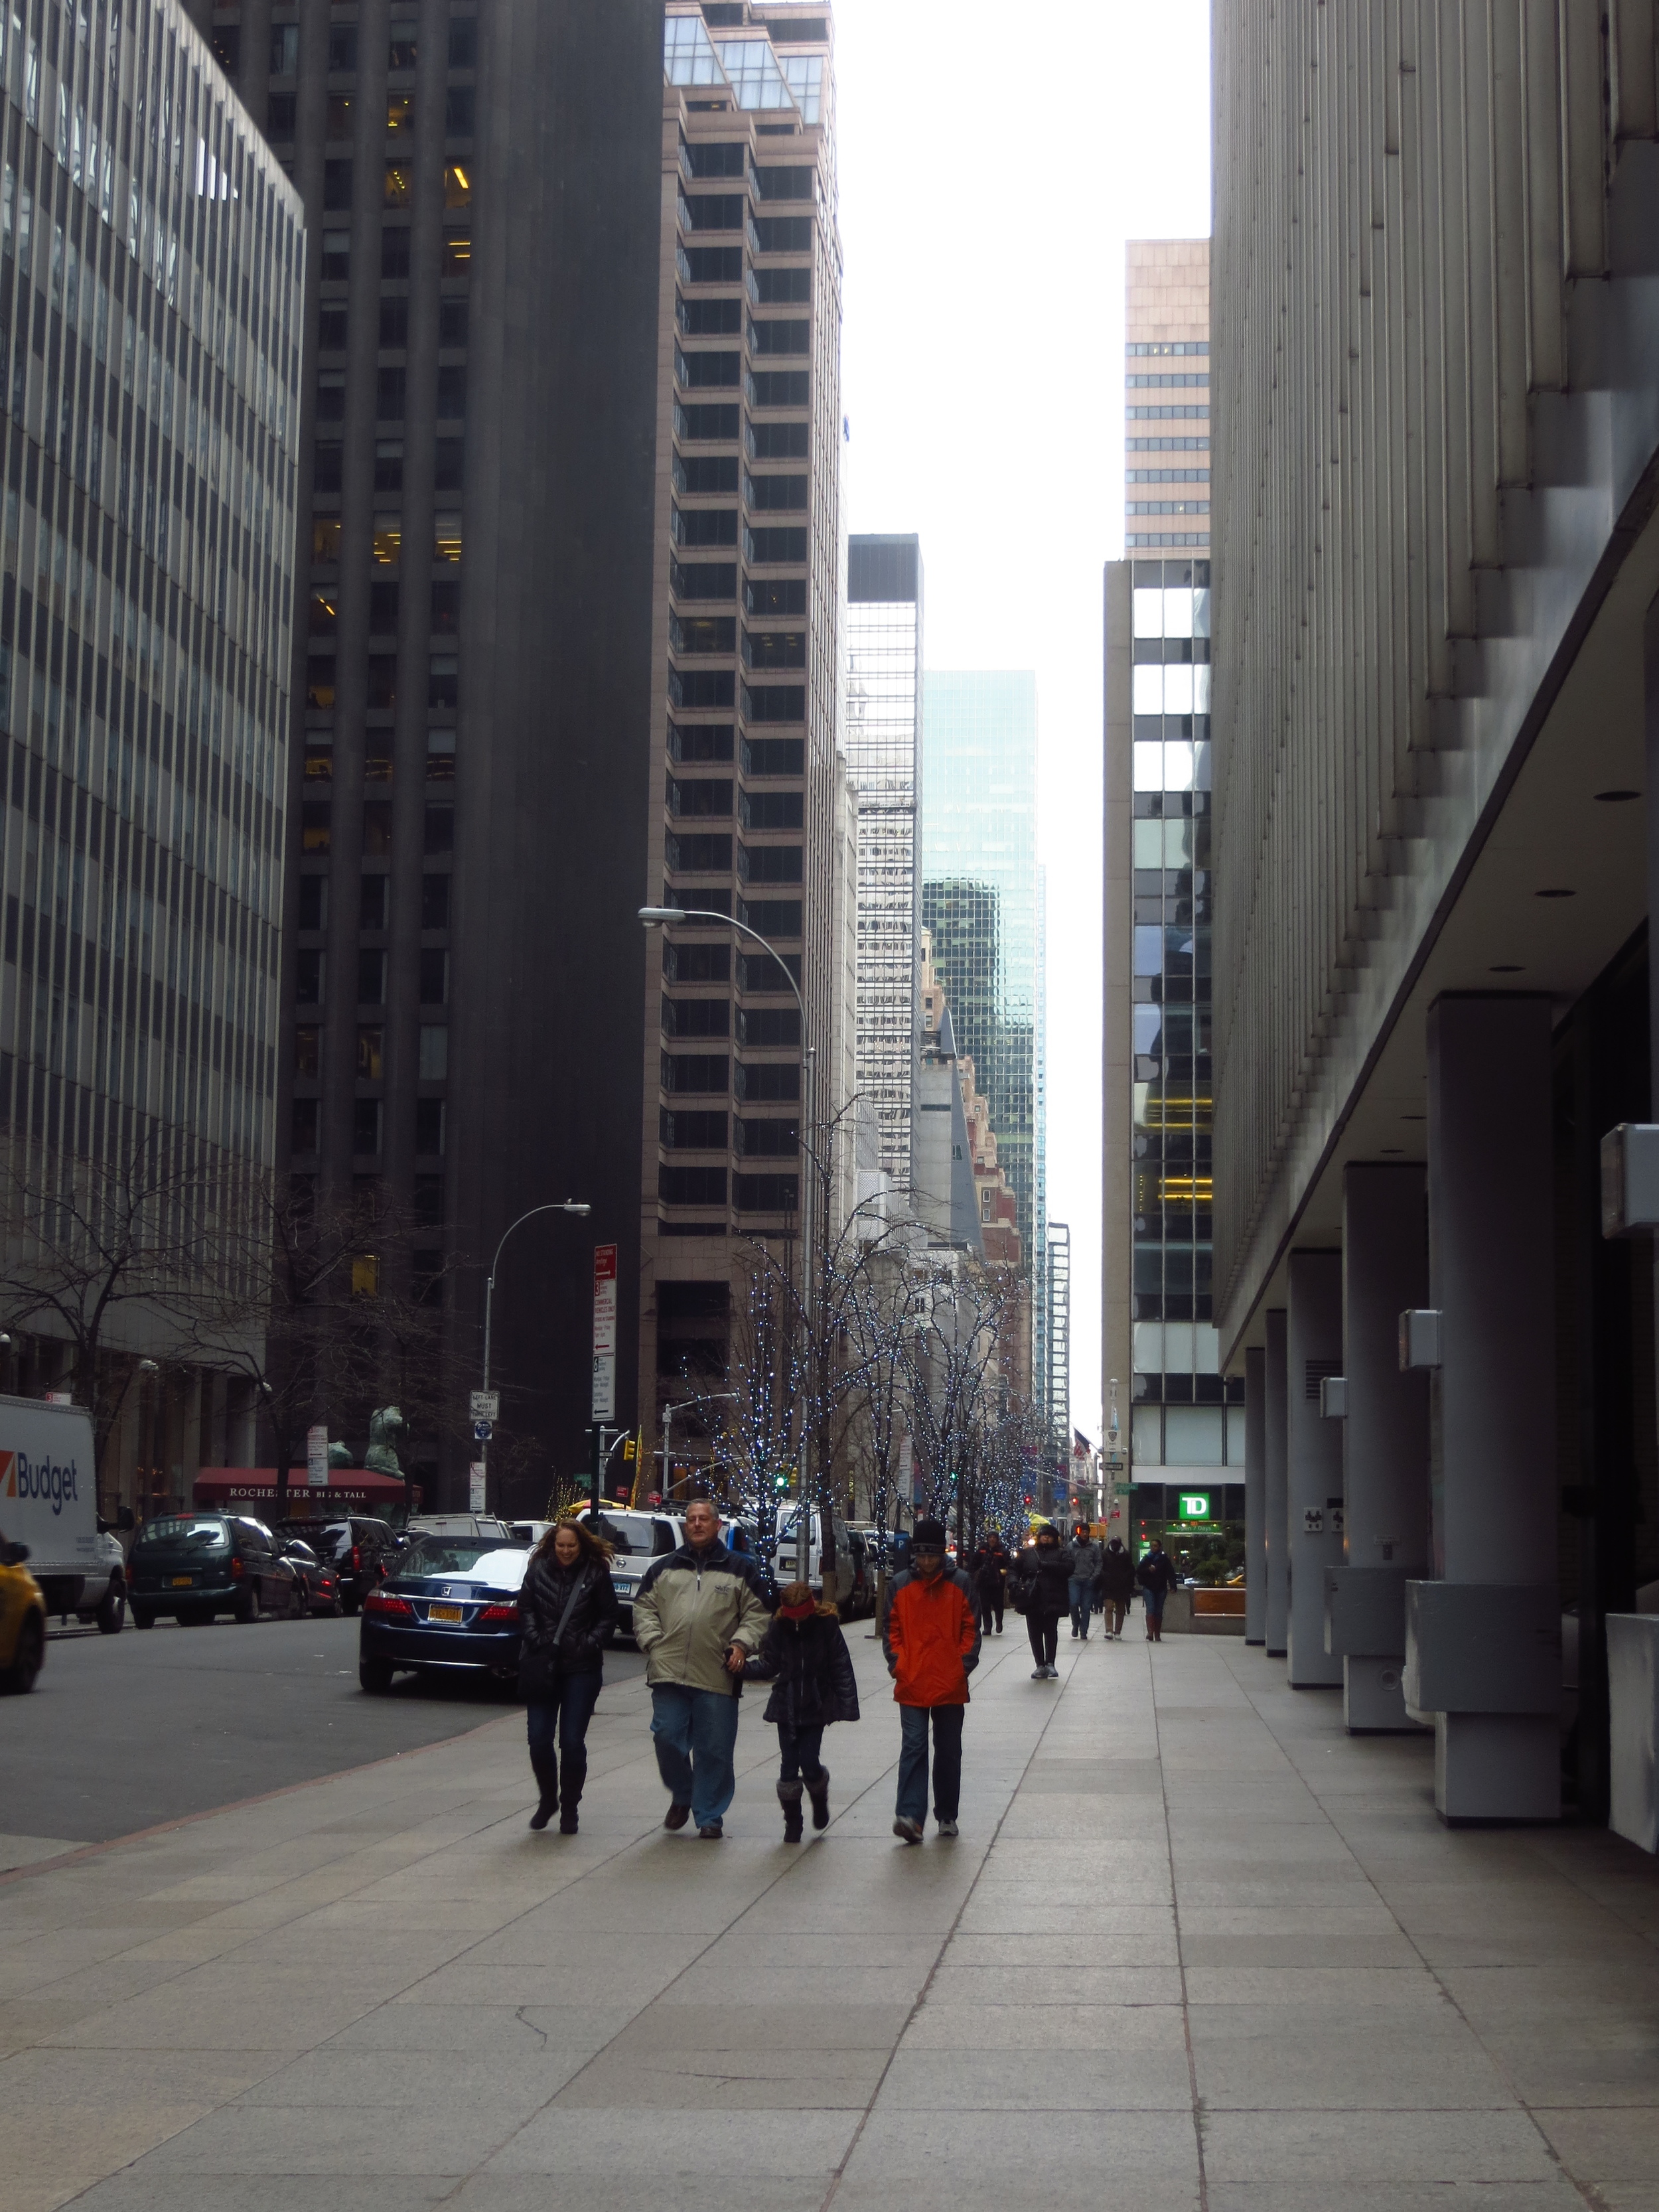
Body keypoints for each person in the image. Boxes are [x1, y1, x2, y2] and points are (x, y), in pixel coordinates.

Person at [632, 1495, 770, 1838]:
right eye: (691, 1519)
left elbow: (758, 1614)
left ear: (717, 1525)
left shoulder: (741, 1569)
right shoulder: (663, 1568)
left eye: (703, 1519)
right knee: (666, 1737)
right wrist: (653, 1642)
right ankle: (683, 1793)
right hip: (668, 1672)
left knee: (715, 1750)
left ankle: (709, 1815)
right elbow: (644, 1608)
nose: (696, 1524)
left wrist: (741, 1644)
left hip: (717, 1673)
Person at [517, 1516, 621, 1834]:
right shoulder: (537, 1570)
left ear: (581, 1544)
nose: (565, 1551)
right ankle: (549, 1798)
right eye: (561, 1546)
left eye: (571, 1546)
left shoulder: (595, 1573)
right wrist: (536, 1639)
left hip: (581, 1669)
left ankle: (570, 1807)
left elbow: (608, 1616)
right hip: (543, 1666)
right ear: (553, 1544)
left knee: (572, 1742)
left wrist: (588, 1644)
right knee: (538, 1739)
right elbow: (525, 1609)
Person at [880, 1516, 979, 1843]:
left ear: (942, 1555)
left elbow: (970, 1629)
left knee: (949, 1749)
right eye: (921, 1556)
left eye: (932, 1557)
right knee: (914, 1746)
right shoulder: (900, 1584)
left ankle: (946, 1814)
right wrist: (899, 1665)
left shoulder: (961, 1583)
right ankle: (910, 1815)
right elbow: (891, 1630)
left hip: (948, 1680)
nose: (926, 1563)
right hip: (912, 1678)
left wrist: (960, 1667)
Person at [743, 1579, 860, 1838]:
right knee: (788, 1766)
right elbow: (770, 1664)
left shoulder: (826, 1626)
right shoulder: (779, 1628)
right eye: (793, 1617)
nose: (797, 1623)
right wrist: (743, 1668)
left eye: (802, 1617)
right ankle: (793, 1822)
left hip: (815, 1706)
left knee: (809, 1762)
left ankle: (819, 1795)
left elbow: (840, 1664)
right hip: (787, 1705)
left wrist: (846, 1703)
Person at [1012, 1524, 1074, 1678]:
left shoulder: (1061, 1553)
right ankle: (1040, 1664)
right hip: (1031, 1598)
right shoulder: (1028, 1554)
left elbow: (1069, 1568)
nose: (1046, 1538)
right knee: (1034, 1633)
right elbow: (1014, 1568)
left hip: (1053, 1598)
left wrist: (1048, 1566)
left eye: (1049, 1536)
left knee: (1051, 1631)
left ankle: (1050, 1663)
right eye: (1043, 1535)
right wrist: (1013, 1583)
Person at [1137, 1540, 1179, 1643]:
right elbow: (1139, 1571)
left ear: (1160, 1547)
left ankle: (1157, 1633)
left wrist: (1173, 1586)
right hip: (1149, 1587)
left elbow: (1170, 1573)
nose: (1153, 1548)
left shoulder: (1164, 1559)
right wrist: (1148, 1570)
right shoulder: (1147, 1559)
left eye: (1156, 1546)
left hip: (1161, 1588)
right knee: (1150, 1609)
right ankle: (1150, 1633)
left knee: (1159, 1611)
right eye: (1152, 1546)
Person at [1067, 1522, 1104, 1642]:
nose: (1084, 1534)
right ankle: (1076, 1623)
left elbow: (1099, 1562)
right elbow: (1065, 1561)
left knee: (1086, 1607)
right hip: (1074, 1579)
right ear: (1079, 1532)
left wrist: (1094, 1576)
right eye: (1082, 1532)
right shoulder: (1071, 1546)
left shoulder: (1094, 1548)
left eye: (1086, 1532)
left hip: (1088, 1579)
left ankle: (1084, 1631)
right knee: (1073, 1603)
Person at [1099, 1536, 1136, 1640]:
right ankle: (1109, 1630)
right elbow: (1101, 1567)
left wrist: (1128, 1582)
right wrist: (1104, 1577)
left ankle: (1117, 1631)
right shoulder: (1104, 1554)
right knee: (1109, 1607)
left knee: (1120, 1609)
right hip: (1108, 1585)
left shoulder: (1126, 1555)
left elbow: (1131, 1569)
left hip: (1122, 1586)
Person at [973, 1535, 1010, 1637]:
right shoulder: (982, 1550)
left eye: (994, 1538)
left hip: (997, 1583)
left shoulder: (1002, 1551)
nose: (992, 1539)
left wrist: (1004, 1572)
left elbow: (1009, 1564)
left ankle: (999, 1623)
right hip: (984, 1582)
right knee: (985, 1606)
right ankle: (987, 1627)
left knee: (998, 1605)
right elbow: (975, 1563)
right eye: (990, 1537)